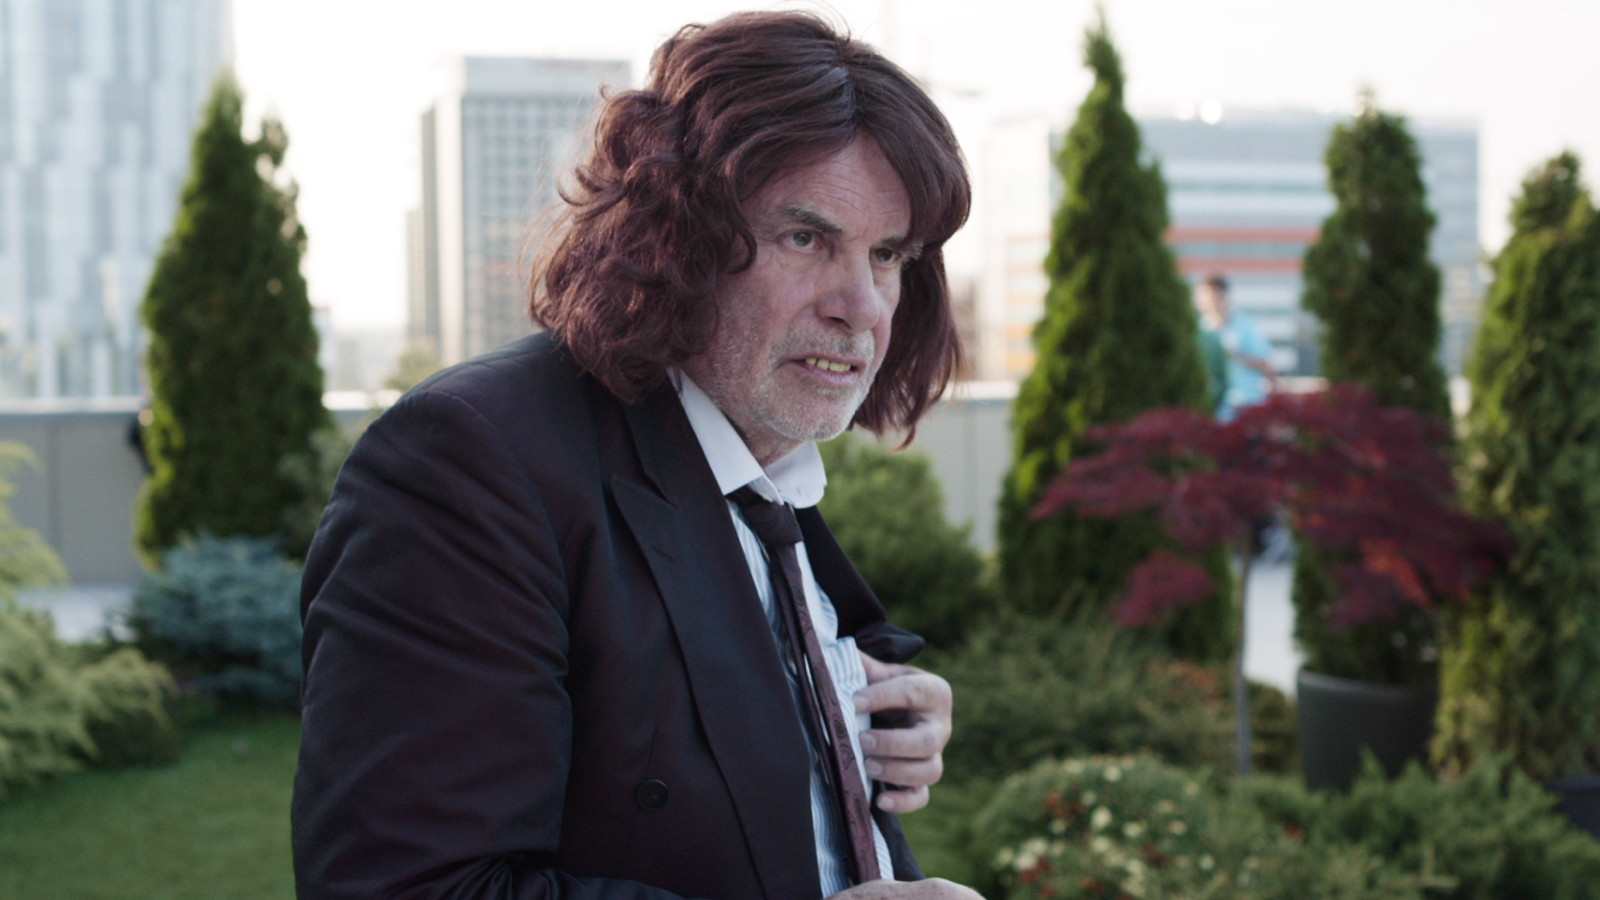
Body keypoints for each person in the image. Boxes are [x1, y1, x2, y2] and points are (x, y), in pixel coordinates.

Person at [292, 11, 980, 900]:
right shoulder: (466, 465)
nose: (862, 305)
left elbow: (695, 689)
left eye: (886, 254)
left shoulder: (754, 460)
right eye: (806, 238)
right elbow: (407, 887)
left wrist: (857, 715)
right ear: (676, 235)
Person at [1196, 273, 1279, 421]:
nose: (1211, 302)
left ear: (1225, 296)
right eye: (1206, 297)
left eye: (1215, 296)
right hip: (1212, 405)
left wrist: (1235, 355)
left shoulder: (1245, 325)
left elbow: (1267, 365)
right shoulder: (1200, 329)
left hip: (1246, 404)